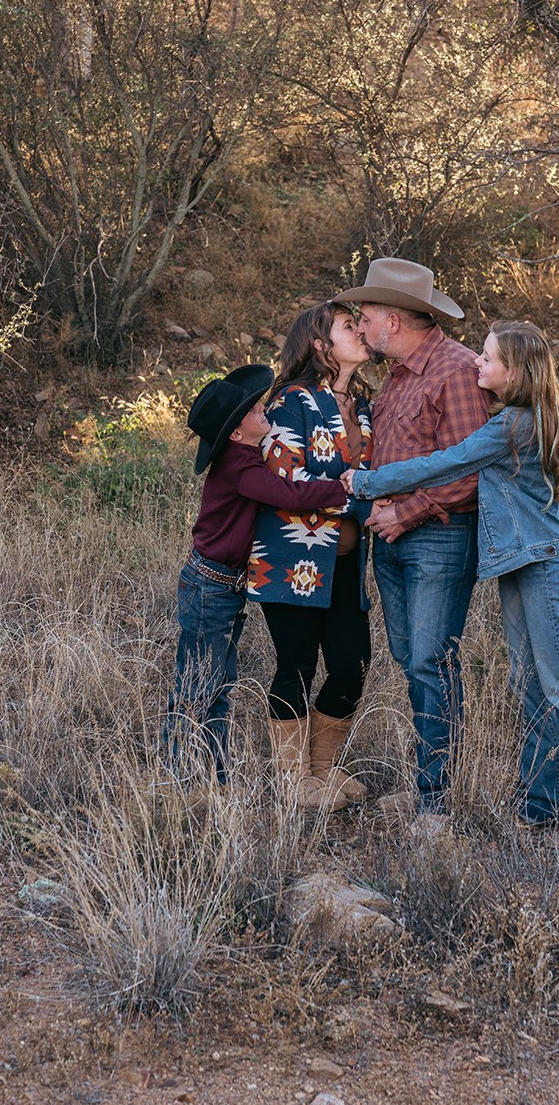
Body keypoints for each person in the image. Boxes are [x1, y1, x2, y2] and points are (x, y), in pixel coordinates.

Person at [347, 321, 559, 841]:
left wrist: (366, 482)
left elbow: (444, 464)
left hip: (541, 562)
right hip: (516, 563)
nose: (477, 364)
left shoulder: (514, 426)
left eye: (487, 359)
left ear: (513, 373)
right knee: (529, 683)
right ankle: (540, 803)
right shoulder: (515, 418)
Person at [333, 258, 493, 821]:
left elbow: (472, 471)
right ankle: (432, 779)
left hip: (438, 539)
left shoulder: (457, 370)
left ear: (393, 321)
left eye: (368, 314)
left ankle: (437, 801)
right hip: (392, 539)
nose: (362, 324)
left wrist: (407, 511)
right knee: (410, 657)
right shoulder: (399, 377)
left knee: (430, 660)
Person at [168, 364, 350, 779]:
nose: (263, 408)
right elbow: (288, 493)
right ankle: (182, 774)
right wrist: (343, 487)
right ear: (235, 433)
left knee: (218, 681)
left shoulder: (248, 455)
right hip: (210, 584)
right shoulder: (241, 466)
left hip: (223, 585)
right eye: (253, 411)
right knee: (198, 683)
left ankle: (211, 773)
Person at [245, 303, 375, 812]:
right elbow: (283, 481)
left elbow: (377, 473)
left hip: (344, 564)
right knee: (296, 665)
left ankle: (321, 770)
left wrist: (368, 492)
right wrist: (362, 495)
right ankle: (293, 780)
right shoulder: (290, 401)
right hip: (291, 559)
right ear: (321, 346)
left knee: (352, 664)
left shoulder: (363, 405)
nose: (361, 332)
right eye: (349, 327)